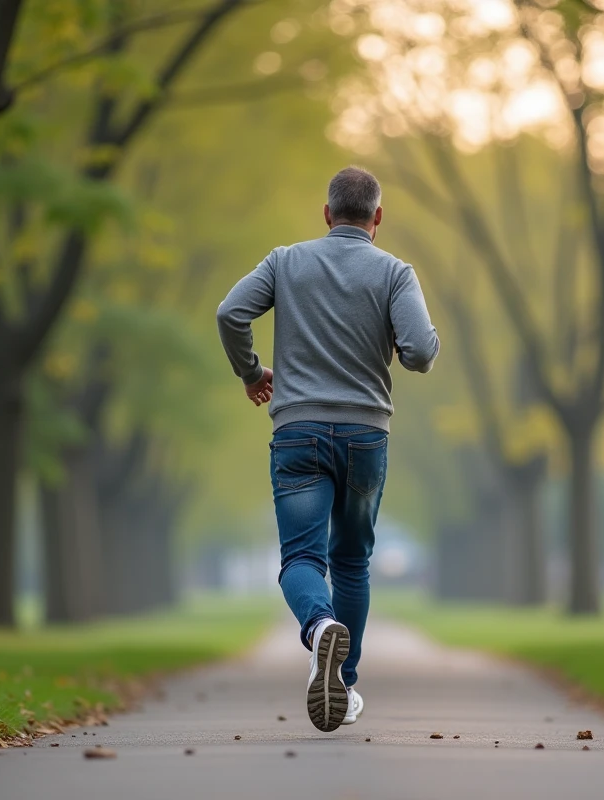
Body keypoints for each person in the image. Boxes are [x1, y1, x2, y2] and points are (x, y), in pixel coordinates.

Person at [215, 166, 439, 732]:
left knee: (301, 559)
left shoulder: (285, 262)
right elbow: (419, 352)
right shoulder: (395, 273)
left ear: (326, 213)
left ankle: (319, 629)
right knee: (352, 561)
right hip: (365, 436)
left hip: (298, 432)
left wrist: (251, 372)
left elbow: (230, 313)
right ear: (378, 217)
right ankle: (345, 681)